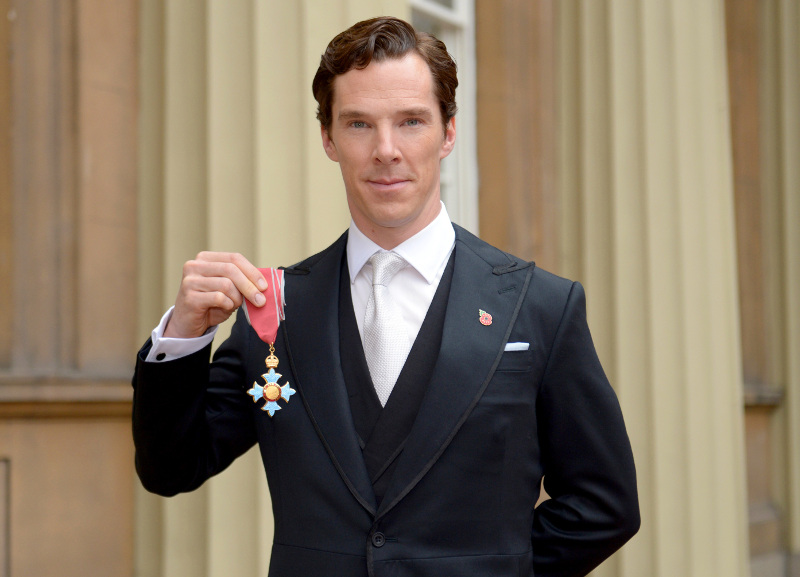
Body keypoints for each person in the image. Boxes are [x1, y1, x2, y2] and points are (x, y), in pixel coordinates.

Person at [132, 16, 640, 577]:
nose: (386, 150)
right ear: (328, 138)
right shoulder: (274, 311)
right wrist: (183, 335)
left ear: (448, 132)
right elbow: (170, 468)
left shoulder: (541, 305)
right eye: (358, 124)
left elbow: (604, 506)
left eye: (411, 121)